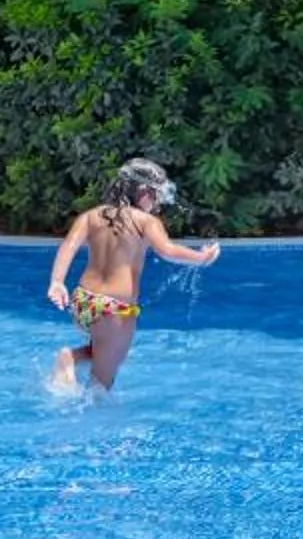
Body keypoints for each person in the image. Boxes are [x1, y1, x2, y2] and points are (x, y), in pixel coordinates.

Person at [46, 158, 218, 394]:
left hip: (82, 301)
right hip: (116, 309)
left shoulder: (90, 216)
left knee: (101, 351)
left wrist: (57, 283)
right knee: (102, 385)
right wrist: (201, 258)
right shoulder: (146, 222)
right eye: (156, 195)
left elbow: (68, 247)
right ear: (145, 192)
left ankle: (72, 356)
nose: (157, 203)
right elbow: (168, 251)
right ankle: (92, 414)